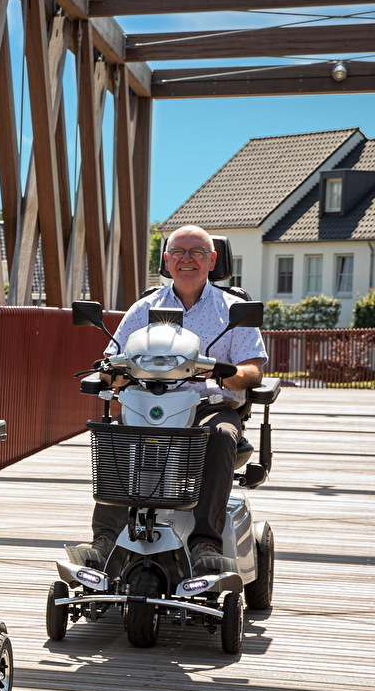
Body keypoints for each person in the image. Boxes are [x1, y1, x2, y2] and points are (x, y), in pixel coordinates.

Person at [70, 224, 267, 576]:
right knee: (117, 434)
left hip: (209, 405)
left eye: (196, 252)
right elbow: (112, 359)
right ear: (166, 260)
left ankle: (205, 543)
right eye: (178, 252)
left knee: (220, 435)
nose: (186, 259)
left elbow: (253, 370)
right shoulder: (143, 308)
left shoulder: (233, 309)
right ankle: (104, 540)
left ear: (212, 261)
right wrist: (106, 373)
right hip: (149, 403)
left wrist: (220, 372)